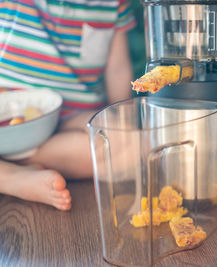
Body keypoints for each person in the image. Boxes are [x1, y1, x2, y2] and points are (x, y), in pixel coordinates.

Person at [0, 0, 136, 210]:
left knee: (120, 142)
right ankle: (11, 178)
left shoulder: (113, 5)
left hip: (73, 115)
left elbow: (117, 68)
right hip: (8, 111)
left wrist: (122, 122)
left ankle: (18, 161)